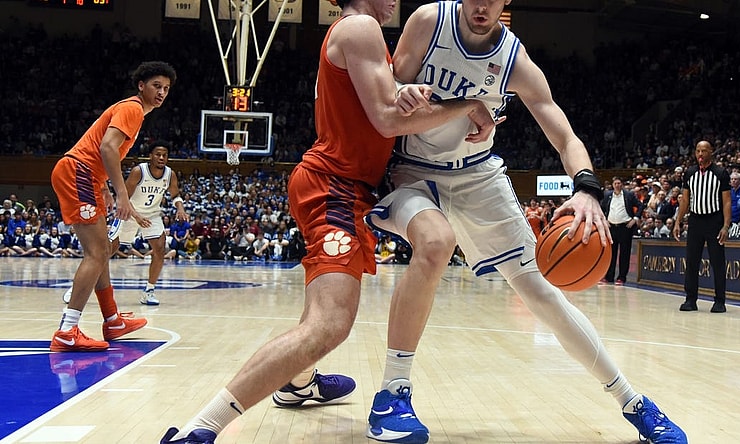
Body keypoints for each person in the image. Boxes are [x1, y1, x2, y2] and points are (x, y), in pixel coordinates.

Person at [160, 0, 496, 442]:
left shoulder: (356, 32)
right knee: (330, 324)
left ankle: (299, 385)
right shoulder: (360, 27)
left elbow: (387, 108)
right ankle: (199, 429)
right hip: (334, 187)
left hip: (343, 185)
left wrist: (409, 94)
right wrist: (468, 103)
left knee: (321, 310)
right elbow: (389, 119)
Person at [364, 1, 686, 443]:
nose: (483, 6)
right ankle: (392, 393)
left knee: (542, 293)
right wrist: (402, 91)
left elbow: (564, 134)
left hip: (478, 175)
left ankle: (634, 403)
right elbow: (387, 90)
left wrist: (587, 189)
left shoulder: (514, 59)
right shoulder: (427, 22)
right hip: (413, 171)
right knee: (435, 245)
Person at [49, 61, 176, 352]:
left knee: (103, 250)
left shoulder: (134, 112)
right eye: (156, 85)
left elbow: (101, 152)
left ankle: (112, 320)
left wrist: (103, 185)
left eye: (166, 88)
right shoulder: (132, 108)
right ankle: (68, 330)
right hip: (78, 172)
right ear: (141, 86)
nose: (162, 92)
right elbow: (107, 147)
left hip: (88, 176)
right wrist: (121, 193)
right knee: (96, 253)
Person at [114, 141, 187, 305]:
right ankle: (80, 287)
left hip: (152, 215)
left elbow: (175, 195)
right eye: (158, 154)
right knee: (106, 251)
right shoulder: (138, 171)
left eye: (164, 155)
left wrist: (180, 208)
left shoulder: (170, 174)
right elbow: (123, 198)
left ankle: (149, 290)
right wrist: (136, 216)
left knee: (160, 249)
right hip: (128, 212)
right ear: (150, 156)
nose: (161, 158)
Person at [673, 140, 731, 314]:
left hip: (714, 221)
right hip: (696, 221)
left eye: (704, 151)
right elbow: (685, 200)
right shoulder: (690, 173)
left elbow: (727, 201)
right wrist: (678, 221)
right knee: (692, 261)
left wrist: (726, 225)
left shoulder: (720, 173)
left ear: (710, 152)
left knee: (717, 262)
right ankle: (691, 299)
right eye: (697, 150)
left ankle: (719, 301)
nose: (700, 154)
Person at [601, 177, 642, 285]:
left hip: (625, 227)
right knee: (611, 253)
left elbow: (640, 205)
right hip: (611, 227)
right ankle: (608, 276)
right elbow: (601, 208)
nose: (617, 185)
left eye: (619, 183)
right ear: (612, 185)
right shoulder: (607, 195)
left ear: (622, 184)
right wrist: (604, 220)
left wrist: (635, 219)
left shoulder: (629, 195)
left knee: (625, 253)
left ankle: (621, 277)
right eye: (615, 183)